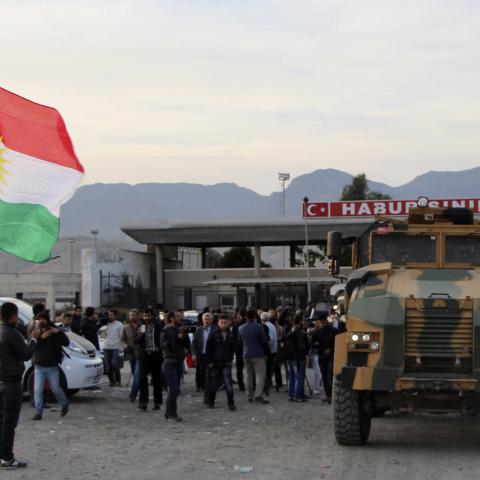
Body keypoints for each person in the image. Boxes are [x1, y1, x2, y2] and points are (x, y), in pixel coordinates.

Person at [0, 302, 39, 469]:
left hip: (1, 381)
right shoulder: (11, 333)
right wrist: (34, 339)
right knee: (9, 423)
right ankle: (7, 458)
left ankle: (2, 456)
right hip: (11, 384)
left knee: (1, 422)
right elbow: (25, 354)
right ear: (13, 316)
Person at [31, 311, 70, 421]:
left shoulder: (54, 330)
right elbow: (32, 345)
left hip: (52, 366)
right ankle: (38, 413)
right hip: (39, 366)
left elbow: (66, 342)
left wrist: (58, 333)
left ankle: (65, 404)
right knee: (37, 390)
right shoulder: (36, 330)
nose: (42, 321)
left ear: (48, 320)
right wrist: (41, 337)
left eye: (44, 319)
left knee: (56, 389)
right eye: (40, 319)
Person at [160, 312, 189, 422]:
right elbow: (166, 347)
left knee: (176, 389)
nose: (180, 318)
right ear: (171, 318)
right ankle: (172, 413)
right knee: (173, 389)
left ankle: (169, 413)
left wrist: (184, 337)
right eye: (177, 316)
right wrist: (178, 338)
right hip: (169, 362)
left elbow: (187, 345)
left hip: (179, 362)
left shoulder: (180, 329)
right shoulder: (166, 331)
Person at [204, 314, 236, 411]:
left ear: (228, 323)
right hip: (215, 363)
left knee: (228, 385)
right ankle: (211, 401)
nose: (223, 324)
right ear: (218, 323)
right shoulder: (213, 334)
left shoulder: (230, 334)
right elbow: (208, 349)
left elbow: (233, 348)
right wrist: (209, 362)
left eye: (225, 322)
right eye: (221, 322)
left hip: (226, 363)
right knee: (214, 385)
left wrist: (230, 358)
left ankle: (231, 404)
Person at [238, 309, 269, 404]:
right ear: (255, 317)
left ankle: (249, 395)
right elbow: (264, 341)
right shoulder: (259, 327)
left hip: (246, 354)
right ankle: (258, 395)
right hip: (258, 354)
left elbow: (239, 341)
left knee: (248, 376)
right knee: (260, 376)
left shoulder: (241, 328)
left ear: (246, 317)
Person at [135, 308, 163, 411]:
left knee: (156, 379)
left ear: (153, 316)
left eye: (149, 316)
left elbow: (161, 340)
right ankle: (143, 402)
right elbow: (137, 340)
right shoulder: (142, 326)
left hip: (156, 355)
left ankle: (157, 402)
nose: (147, 318)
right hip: (145, 355)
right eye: (145, 316)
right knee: (142, 378)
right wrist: (141, 335)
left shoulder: (158, 326)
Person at [285, 314, 309, 402]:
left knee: (292, 376)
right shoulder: (301, 333)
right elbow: (303, 346)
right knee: (299, 377)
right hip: (298, 357)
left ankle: (291, 395)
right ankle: (297, 395)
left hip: (290, 356)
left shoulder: (290, 331)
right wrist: (305, 354)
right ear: (300, 321)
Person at [316, 313, 338, 403]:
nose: (322, 324)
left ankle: (331, 395)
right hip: (321, 356)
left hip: (330, 357)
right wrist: (315, 345)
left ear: (326, 321)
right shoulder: (317, 332)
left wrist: (331, 349)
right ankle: (328, 394)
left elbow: (338, 343)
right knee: (324, 376)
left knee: (329, 376)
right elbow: (313, 342)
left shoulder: (334, 331)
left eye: (323, 322)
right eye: (320, 322)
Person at [191, 312, 215, 393]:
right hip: (200, 354)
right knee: (199, 371)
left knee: (209, 371)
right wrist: (194, 354)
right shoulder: (199, 330)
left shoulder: (215, 330)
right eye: (205, 319)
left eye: (208, 319)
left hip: (210, 355)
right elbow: (194, 343)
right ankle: (199, 386)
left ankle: (207, 386)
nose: (206, 321)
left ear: (211, 320)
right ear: (202, 320)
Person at [121, 309, 141, 402]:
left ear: (138, 316)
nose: (132, 317)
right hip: (130, 353)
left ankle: (133, 394)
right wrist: (125, 346)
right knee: (135, 373)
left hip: (140, 353)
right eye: (131, 315)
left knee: (137, 374)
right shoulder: (126, 327)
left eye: (134, 315)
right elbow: (122, 339)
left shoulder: (142, 326)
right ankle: (139, 388)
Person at [102, 309, 123, 387]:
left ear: (115, 316)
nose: (109, 316)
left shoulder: (119, 324)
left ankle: (118, 380)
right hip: (106, 347)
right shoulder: (105, 324)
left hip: (115, 347)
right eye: (109, 314)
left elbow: (121, 336)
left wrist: (121, 347)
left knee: (114, 364)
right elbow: (102, 336)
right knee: (108, 366)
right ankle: (112, 381)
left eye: (111, 314)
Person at [261, 311, 277, 397]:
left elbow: (269, 339)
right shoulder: (272, 325)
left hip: (269, 351)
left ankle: (266, 386)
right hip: (273, 350)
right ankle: (268, 384)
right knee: (269, 369)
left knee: (266, 370)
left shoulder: (266, 326)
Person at [309, 318, 325, 397]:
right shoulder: (313, 332)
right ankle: (316, 388)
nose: (319, 324)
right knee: (317, 372)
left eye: (320, 323)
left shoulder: (322, 332)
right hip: (315, 353)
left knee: (319, 372)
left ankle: (318, 387)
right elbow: (311, 343)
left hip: (320, 353)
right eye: (318, 323)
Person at [232, 309, 246, 391]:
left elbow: (233, 337)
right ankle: (252, 384)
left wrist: (234, 348)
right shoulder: (250, 323)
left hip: (239, 349)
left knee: (239, 368)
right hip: (248, 348)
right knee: (249, 368)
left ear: (239, 315)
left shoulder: (236, 324)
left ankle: (241, 385)